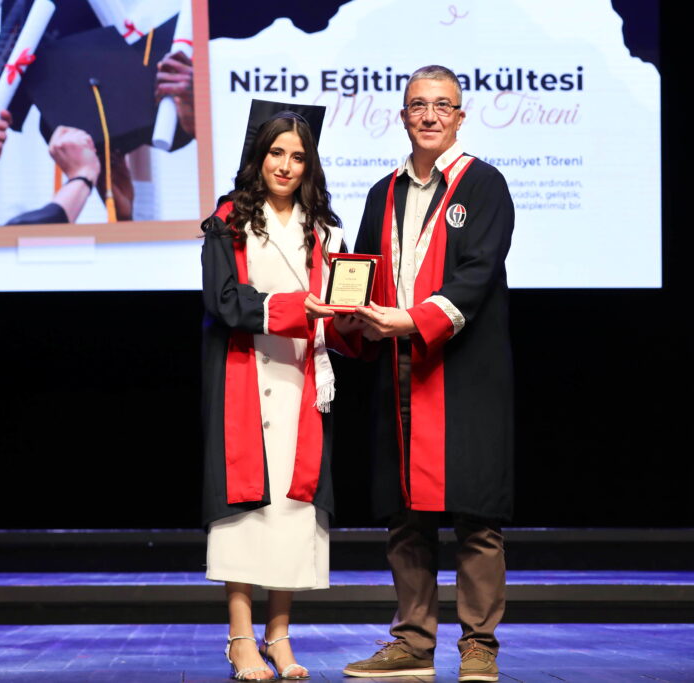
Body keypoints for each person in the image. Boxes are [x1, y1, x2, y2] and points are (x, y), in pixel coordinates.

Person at [342, 65, 515, 683]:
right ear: (403, 116)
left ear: (460, 117)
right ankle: (413, 642)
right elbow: (361, 269)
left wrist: (412, 320)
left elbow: (477, 274)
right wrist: (349, 312)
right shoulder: (382, 192)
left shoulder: (484, 185)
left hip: (463, 371)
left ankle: (479, 646)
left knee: (474, 512)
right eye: (419, 105)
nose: (430, 115)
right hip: (399, 368)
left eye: (443, 105)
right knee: (405, 514)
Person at [200, 109, 347, 681]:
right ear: (259, 157)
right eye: (276, 153)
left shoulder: (325, 229)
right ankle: (240, 638)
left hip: (302, 379)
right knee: (246, 508)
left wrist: (351, 317)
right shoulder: (229, 220)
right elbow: (222, 300)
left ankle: (278, 636)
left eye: (298, 156)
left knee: (291, 507)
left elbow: (336, 303)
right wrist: (293, 308)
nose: (285, 166)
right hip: (244, 374)